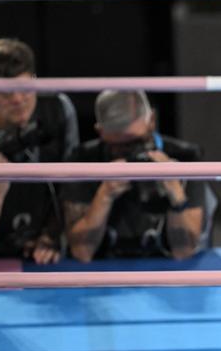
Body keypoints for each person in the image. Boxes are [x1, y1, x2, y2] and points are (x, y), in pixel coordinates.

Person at [0, 38, 78, 264]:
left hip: (46, 250)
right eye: (6, 93)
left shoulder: (59, 110)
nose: (18, 100)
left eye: (25, 89)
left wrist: (51, 236)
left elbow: (72, 183)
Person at [62, 90, 207, 261]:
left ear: (151, 121)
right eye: (118, 147)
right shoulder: (83, 160)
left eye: (137, 142)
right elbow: (81, 253)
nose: (131, 152)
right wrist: (104, 195)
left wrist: (175, 192)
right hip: (104, 269)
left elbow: (184, 251)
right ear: (101, 132)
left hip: (167, 268)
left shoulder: (186, 156)